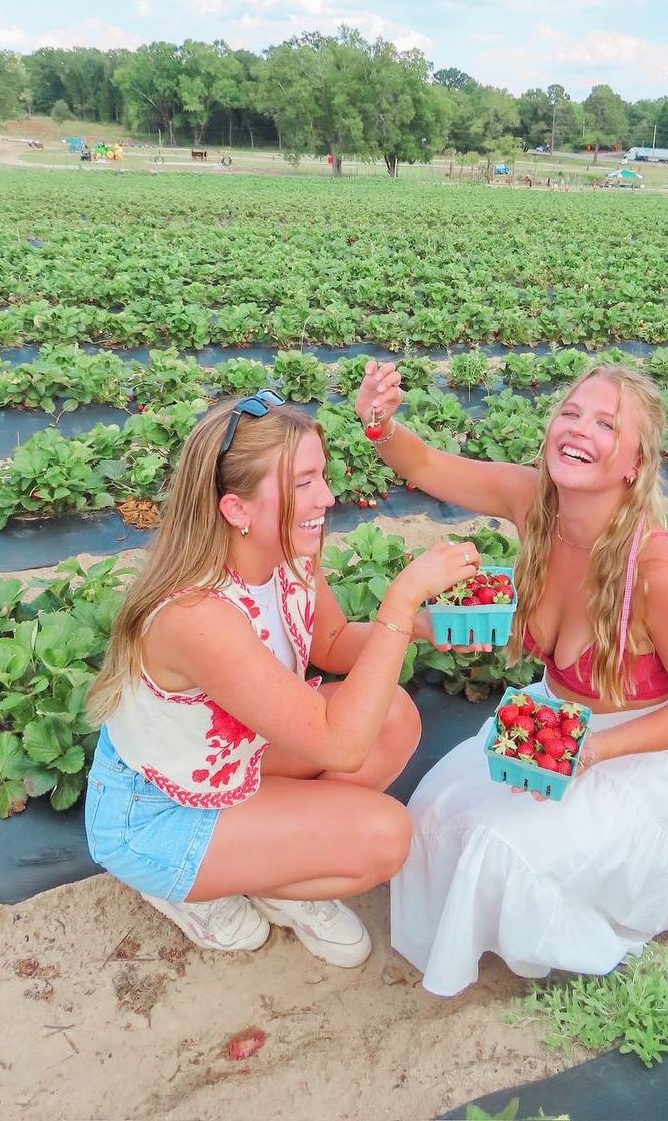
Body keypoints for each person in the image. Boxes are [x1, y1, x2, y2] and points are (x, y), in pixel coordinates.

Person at [354, 361, 668, 997]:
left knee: (497, 846)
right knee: (433, 812)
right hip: (553, 723)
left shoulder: (659, 575)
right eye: (571, 413)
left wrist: (593, 750)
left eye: (606, 424)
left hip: (643, 751)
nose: (579, 429)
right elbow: (427, 465)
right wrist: (378, 423)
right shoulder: (533, 504)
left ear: (634, 464)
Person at [84, 390, 482, 967]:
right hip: (157, 810)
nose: (328, 497)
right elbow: (340, 746)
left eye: (322, 475)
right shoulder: (197, 615)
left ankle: (274, 871)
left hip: (222, 758)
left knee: (392, 716)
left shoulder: (288, 552)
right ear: (236, 509)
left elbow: (331, 641)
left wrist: (419, 626)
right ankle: (200, 885)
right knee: (385, 838)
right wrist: (400, 604)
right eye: (303, 483)